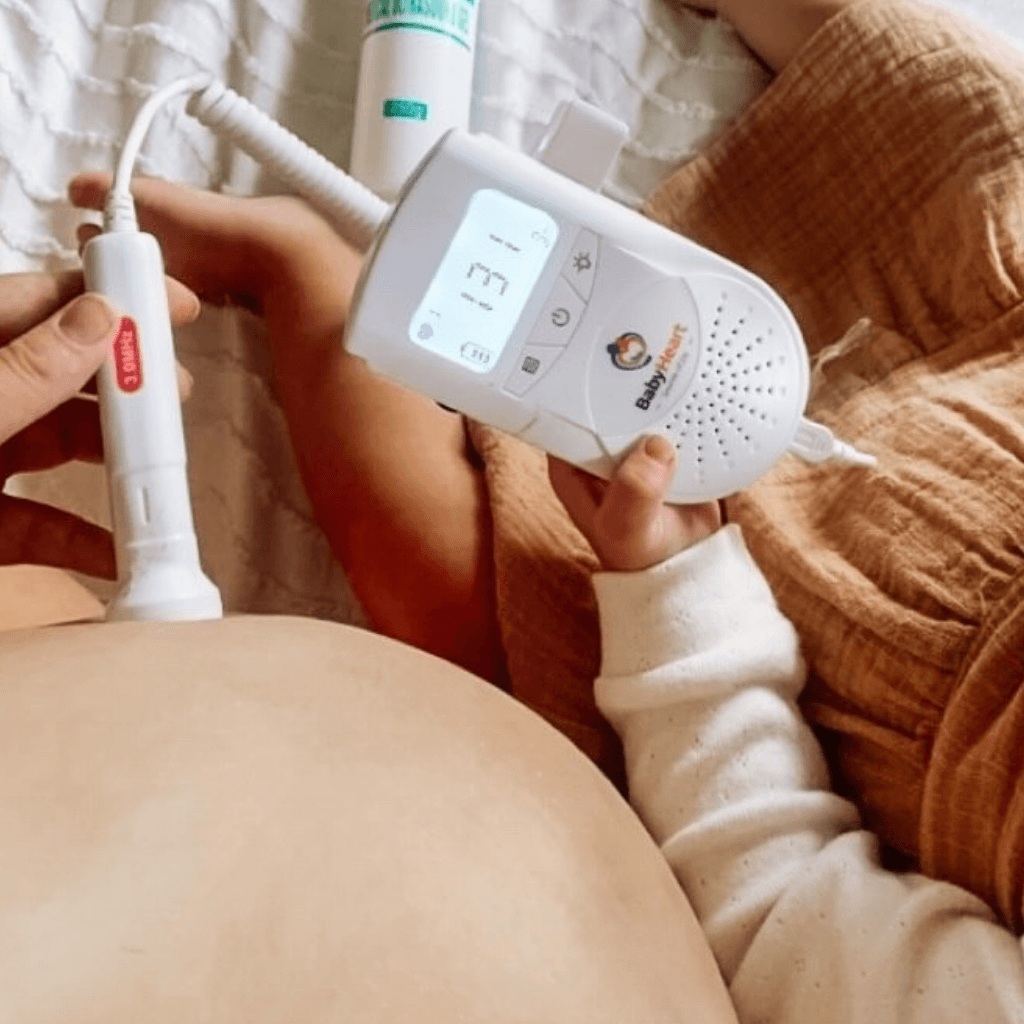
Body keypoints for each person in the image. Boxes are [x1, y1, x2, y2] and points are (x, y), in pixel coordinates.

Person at [67, 0, 1024, 931]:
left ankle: (308, 266)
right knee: (972, 115)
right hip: (1001, 359)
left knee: (482, 623)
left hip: (812, 631)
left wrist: (672, 592)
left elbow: (780, 899)